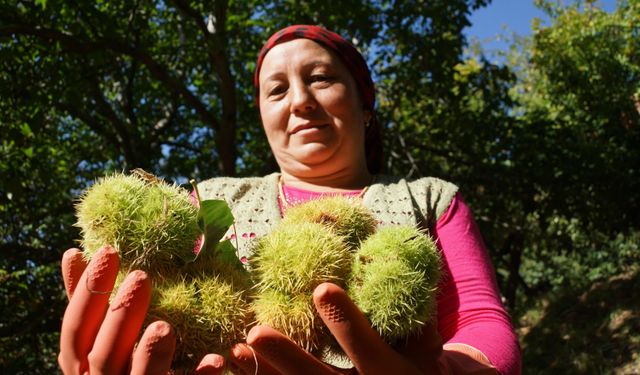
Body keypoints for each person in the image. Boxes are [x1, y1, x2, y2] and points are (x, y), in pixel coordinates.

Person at [58, 25, 522, 374]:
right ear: (262, 115)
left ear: (364, 103)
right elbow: (161, 284)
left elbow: (482, 320)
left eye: (320, 79)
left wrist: (450, 370)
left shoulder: (428, 197)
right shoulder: (210, 198)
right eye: (276, 89)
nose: (299, 100)